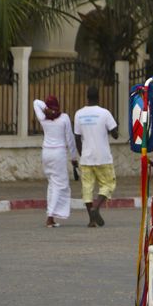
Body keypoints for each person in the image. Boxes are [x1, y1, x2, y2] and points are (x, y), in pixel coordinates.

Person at [74, 86, 119, 227]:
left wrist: (82, 155)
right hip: (103, 157)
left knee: (87, 188)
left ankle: (91, 220)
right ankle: (96, 207)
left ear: (87, 97)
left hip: (86, 158)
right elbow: (116, 134)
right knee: (108, 184)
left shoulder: (78, 114)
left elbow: (77, 137)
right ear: (98, 97)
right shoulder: (104, 113)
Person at [33, 95, 79, 227]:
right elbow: (70, 139)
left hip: (46, 153)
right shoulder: (64, 118)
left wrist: (47, 110)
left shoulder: (43, 118)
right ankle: (50, 216)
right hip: (58, 154)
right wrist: (74, 158)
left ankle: (51, 216)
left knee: (52, 184)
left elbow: (36, 102)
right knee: (60, 185)